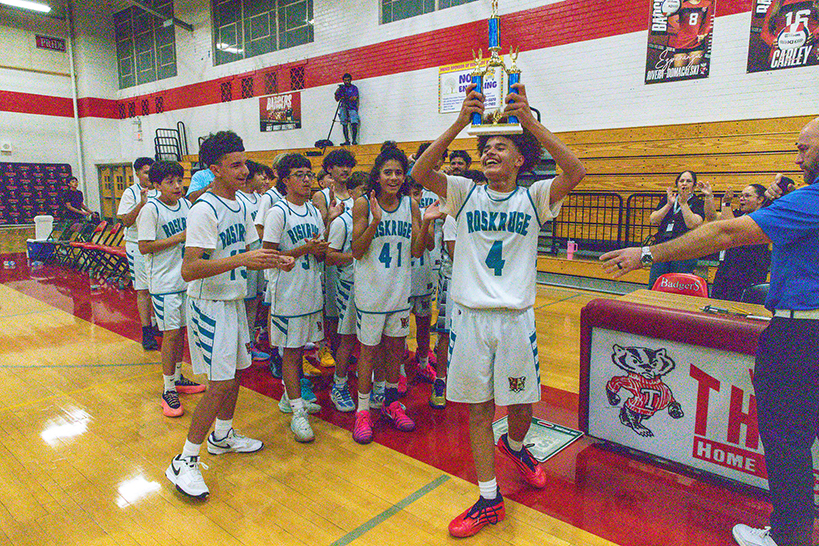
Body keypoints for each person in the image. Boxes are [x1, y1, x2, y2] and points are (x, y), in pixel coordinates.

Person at [601, 118, 819, 546]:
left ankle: (789, 536)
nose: (797, 158)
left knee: (786, 441)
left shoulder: (813, 199)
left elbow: (723, 231)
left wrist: (646, 252)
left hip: (801, 336)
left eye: (805, 149)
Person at [412, 82, 586, 538]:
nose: (490, 152)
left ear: (519, 160)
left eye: (501, 147)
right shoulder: (463, 192)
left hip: (514, 320)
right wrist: (458, 124)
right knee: (477, 407)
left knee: (522, 403)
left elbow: (576, 169)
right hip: (470, 319)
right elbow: (420, 169)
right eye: (486, 146)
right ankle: (489, 498)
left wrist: (529, 122)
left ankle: (515, 445)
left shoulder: (535, 197)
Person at [164, 131, 293, 499]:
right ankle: (184, 460)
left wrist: (277, 259)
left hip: (233, 300)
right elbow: (190, 269)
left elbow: (250, 248)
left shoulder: (243, 203)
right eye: (235, 164)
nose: (244, 169)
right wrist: (242, 260)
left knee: (237, 373)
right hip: (210, 305)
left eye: (244, 161)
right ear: (214, 168)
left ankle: (222, 435)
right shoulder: (204, 208)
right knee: (219, 383)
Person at [350, 146, 431, 444]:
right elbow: (357, 251)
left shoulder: (410, 205)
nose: (394, 177)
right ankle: (362, 411)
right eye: (388, 172)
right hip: (371, 292)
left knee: (395, 352)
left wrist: (427, 221)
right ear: (378, 175)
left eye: (399, 172)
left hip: (399, 291)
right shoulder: (363, 203)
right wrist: (374, 222)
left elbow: (416, 251)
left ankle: (390, 402)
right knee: (369, 353)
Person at [264, 153, 339, 442]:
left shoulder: (311, 210)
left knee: (302, 350)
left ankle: (289, 398)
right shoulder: (277, 213)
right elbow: (268, 256)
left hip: (310, 290)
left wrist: (320, 247)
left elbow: (318, 250)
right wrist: (303, 250)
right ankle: (296, 411)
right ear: (286, 181)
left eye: (309, 174)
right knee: (291, 353)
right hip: (287, 294)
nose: (307, 179)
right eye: (300, 174)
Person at [137, 160, 203, 418]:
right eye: (170, 182)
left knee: (182, 332)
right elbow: (144, 246)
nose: (177, 186)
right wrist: (180, 237)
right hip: (164, 282)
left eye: (179, 180)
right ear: (156, 185)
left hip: (185, 279)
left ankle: (177, 377)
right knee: (171, 334)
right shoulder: (151, 209)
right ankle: (167, 388)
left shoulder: (186, 205)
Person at [312, 148, 358, 366]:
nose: (346, 170)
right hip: (332, 260)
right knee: (332, 310)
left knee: (351, 311)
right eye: (341, 165)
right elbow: (319, 231)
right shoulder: (321, 195)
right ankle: (328, 348)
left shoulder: (356, 196)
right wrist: (330, 218)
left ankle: (348, 351)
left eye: (349, 165)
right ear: (329, 168)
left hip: (353, 263)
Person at [325, 173, 367, 412]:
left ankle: (375, 385)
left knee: (374, 342)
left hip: (372, 284)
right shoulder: (342, 221)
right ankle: (339, 386)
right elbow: (330, 257)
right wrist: (357, 255)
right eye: (360, 191)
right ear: (350, 193)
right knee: (348, 338)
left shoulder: (374, 217)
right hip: (350, 283)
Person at [700, 182, 771, 302]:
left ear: (760, 199)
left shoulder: (764, 216)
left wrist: (727, 203)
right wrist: (708, 197)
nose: (742, 199)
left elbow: (732, 230)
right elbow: (712, 218)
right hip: (727, 268)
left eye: (747, 196)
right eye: (741, 196)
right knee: (716, 304)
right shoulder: (738, 214)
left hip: (747, 273)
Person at [117, 157, 158, 351]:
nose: (149, 176)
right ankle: (146, 330)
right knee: (143, 290)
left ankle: (158, 322)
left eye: (151, 172)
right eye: (145, 172)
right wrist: (141, 204)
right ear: (137, 174)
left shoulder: (161, 190)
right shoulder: (130, 193)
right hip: (137, 245)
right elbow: (125, 221)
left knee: (158, 287)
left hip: (159, 245)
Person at [647, 170, 705, 288]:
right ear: (677, 184)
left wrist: (683, 204)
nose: (684, 184)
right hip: (663, 247)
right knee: (655, 285)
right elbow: (653, 220)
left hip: (685, 250)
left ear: (694, 186)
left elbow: (692, 224)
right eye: (681, 181)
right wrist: (669, 204)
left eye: (688, 181)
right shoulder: (668, 199)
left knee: (678, 286)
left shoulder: (697, 203)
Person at [237, 160, 270, 361]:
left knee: (255, 302)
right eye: (261, 176)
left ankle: (249, 342)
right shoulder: (240, 199)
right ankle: (244, 345)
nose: (264, 180)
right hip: (247, 258)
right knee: (246, 303)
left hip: (260, 257)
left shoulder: (259, 198)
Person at [667, 0, 714, 68]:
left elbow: (709, 21)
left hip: (696, 43)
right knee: (678, 72)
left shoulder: (707, 3)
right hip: (681, 43)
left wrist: (704, 33)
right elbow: (671, 19)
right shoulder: (681, 4)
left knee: (693, 71)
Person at [334, 73, 360, 145]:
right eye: (345, 80)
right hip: (343, 107)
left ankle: (354, 140)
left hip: (352, 107)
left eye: (348, 80)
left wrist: (346, 96)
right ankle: (346, 140)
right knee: (344, 123)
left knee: (354, 122)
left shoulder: (354, 88)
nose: (347, 82)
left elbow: (354, 98)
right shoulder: (342, 89)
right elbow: (337, 99)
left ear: (350, 80)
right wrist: (337, 93)